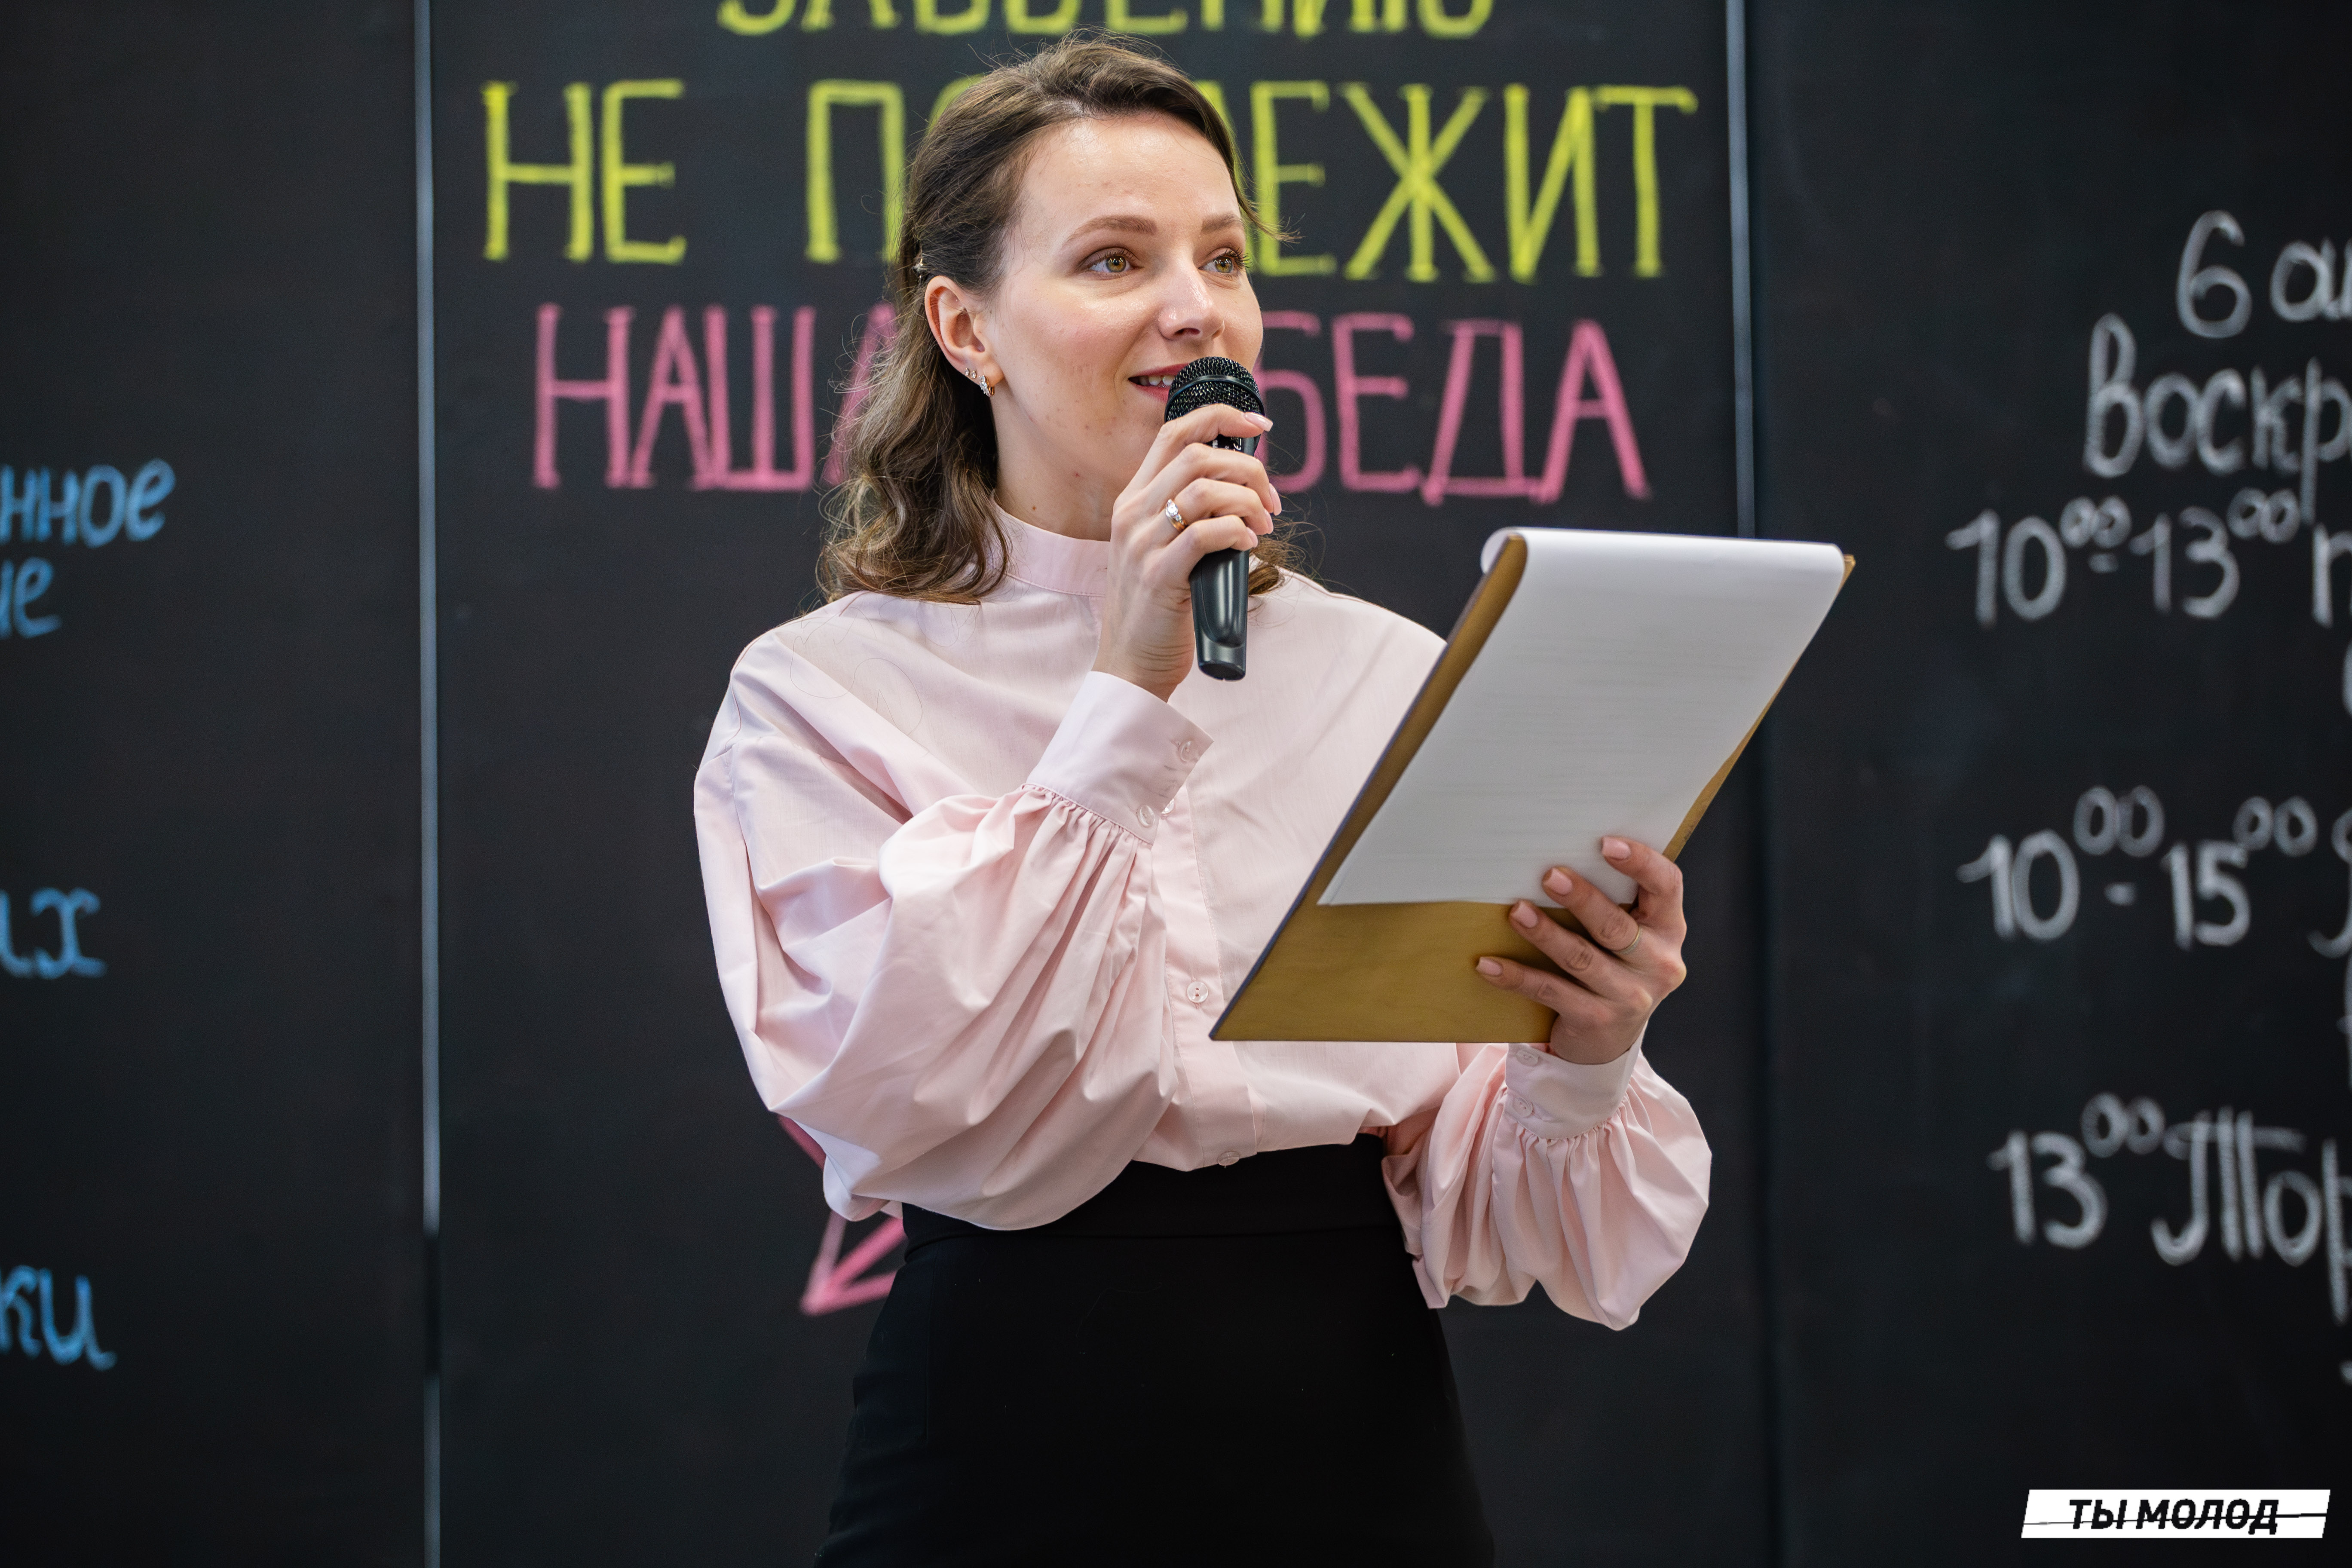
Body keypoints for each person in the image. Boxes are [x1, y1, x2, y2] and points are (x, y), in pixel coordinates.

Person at [692, 34, 1710, 1566]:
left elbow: (1497, 1216)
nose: (1196, 309)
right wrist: (1126, 689)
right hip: (1006, 1426)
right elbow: (899, 1091)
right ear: (966, 328)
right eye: (1116, 259)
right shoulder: (826, 691)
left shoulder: (1387, 674)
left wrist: (1584, 1049)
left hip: (1359, 1439)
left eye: (1223, 259)